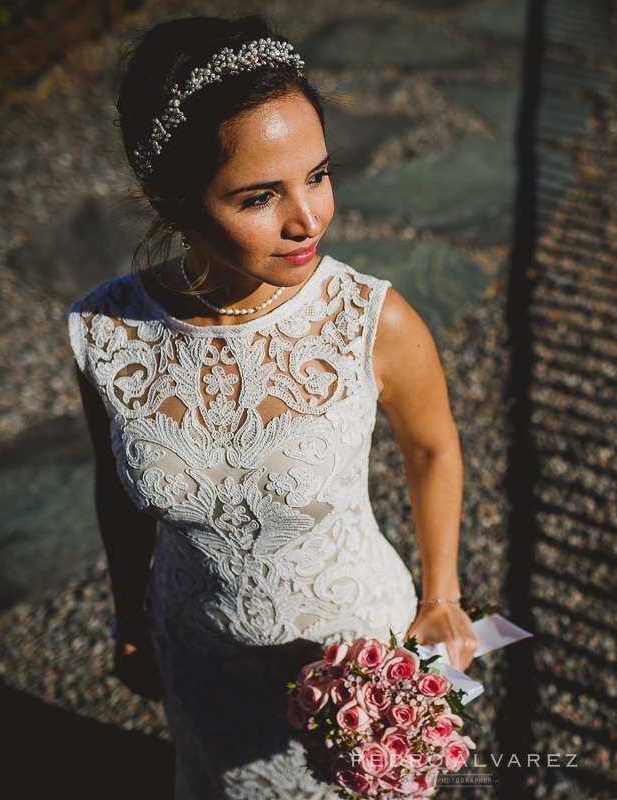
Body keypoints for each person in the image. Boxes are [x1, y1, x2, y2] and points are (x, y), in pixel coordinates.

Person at [67, 15, 478, 798]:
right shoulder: (105, 333)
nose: (309, 220)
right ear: (173, 199)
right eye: (260, 195)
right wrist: (129, 621)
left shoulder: (374, 321)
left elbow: (432, 449)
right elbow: (116, 496)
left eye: (319, 175)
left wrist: (443, 597)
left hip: (352, 655)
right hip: (197, 654)